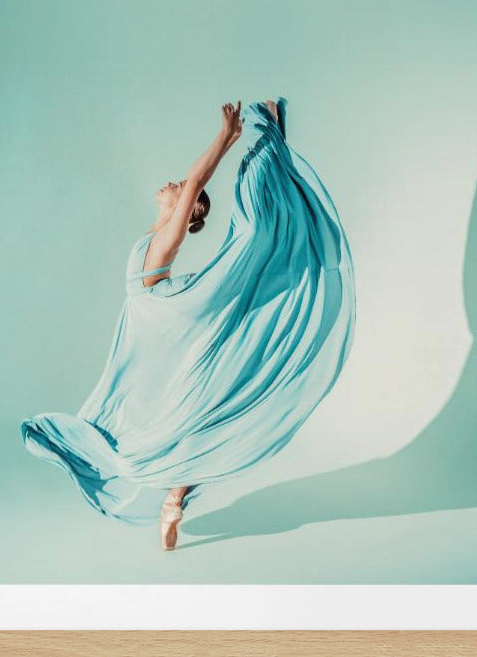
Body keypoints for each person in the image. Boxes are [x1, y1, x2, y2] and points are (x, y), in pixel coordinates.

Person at [20, 98, 356, 551]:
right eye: (177, 183)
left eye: (181, 188)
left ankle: (171, 496)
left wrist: (227, 137)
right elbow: (191, 183)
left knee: (185, 407)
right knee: (175, 409)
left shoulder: (167, 238)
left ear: (192, 210)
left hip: (166, 321)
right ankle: (173, 498)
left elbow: (197, 178)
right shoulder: (154, 236)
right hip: (157, 332)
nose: (174, 181)